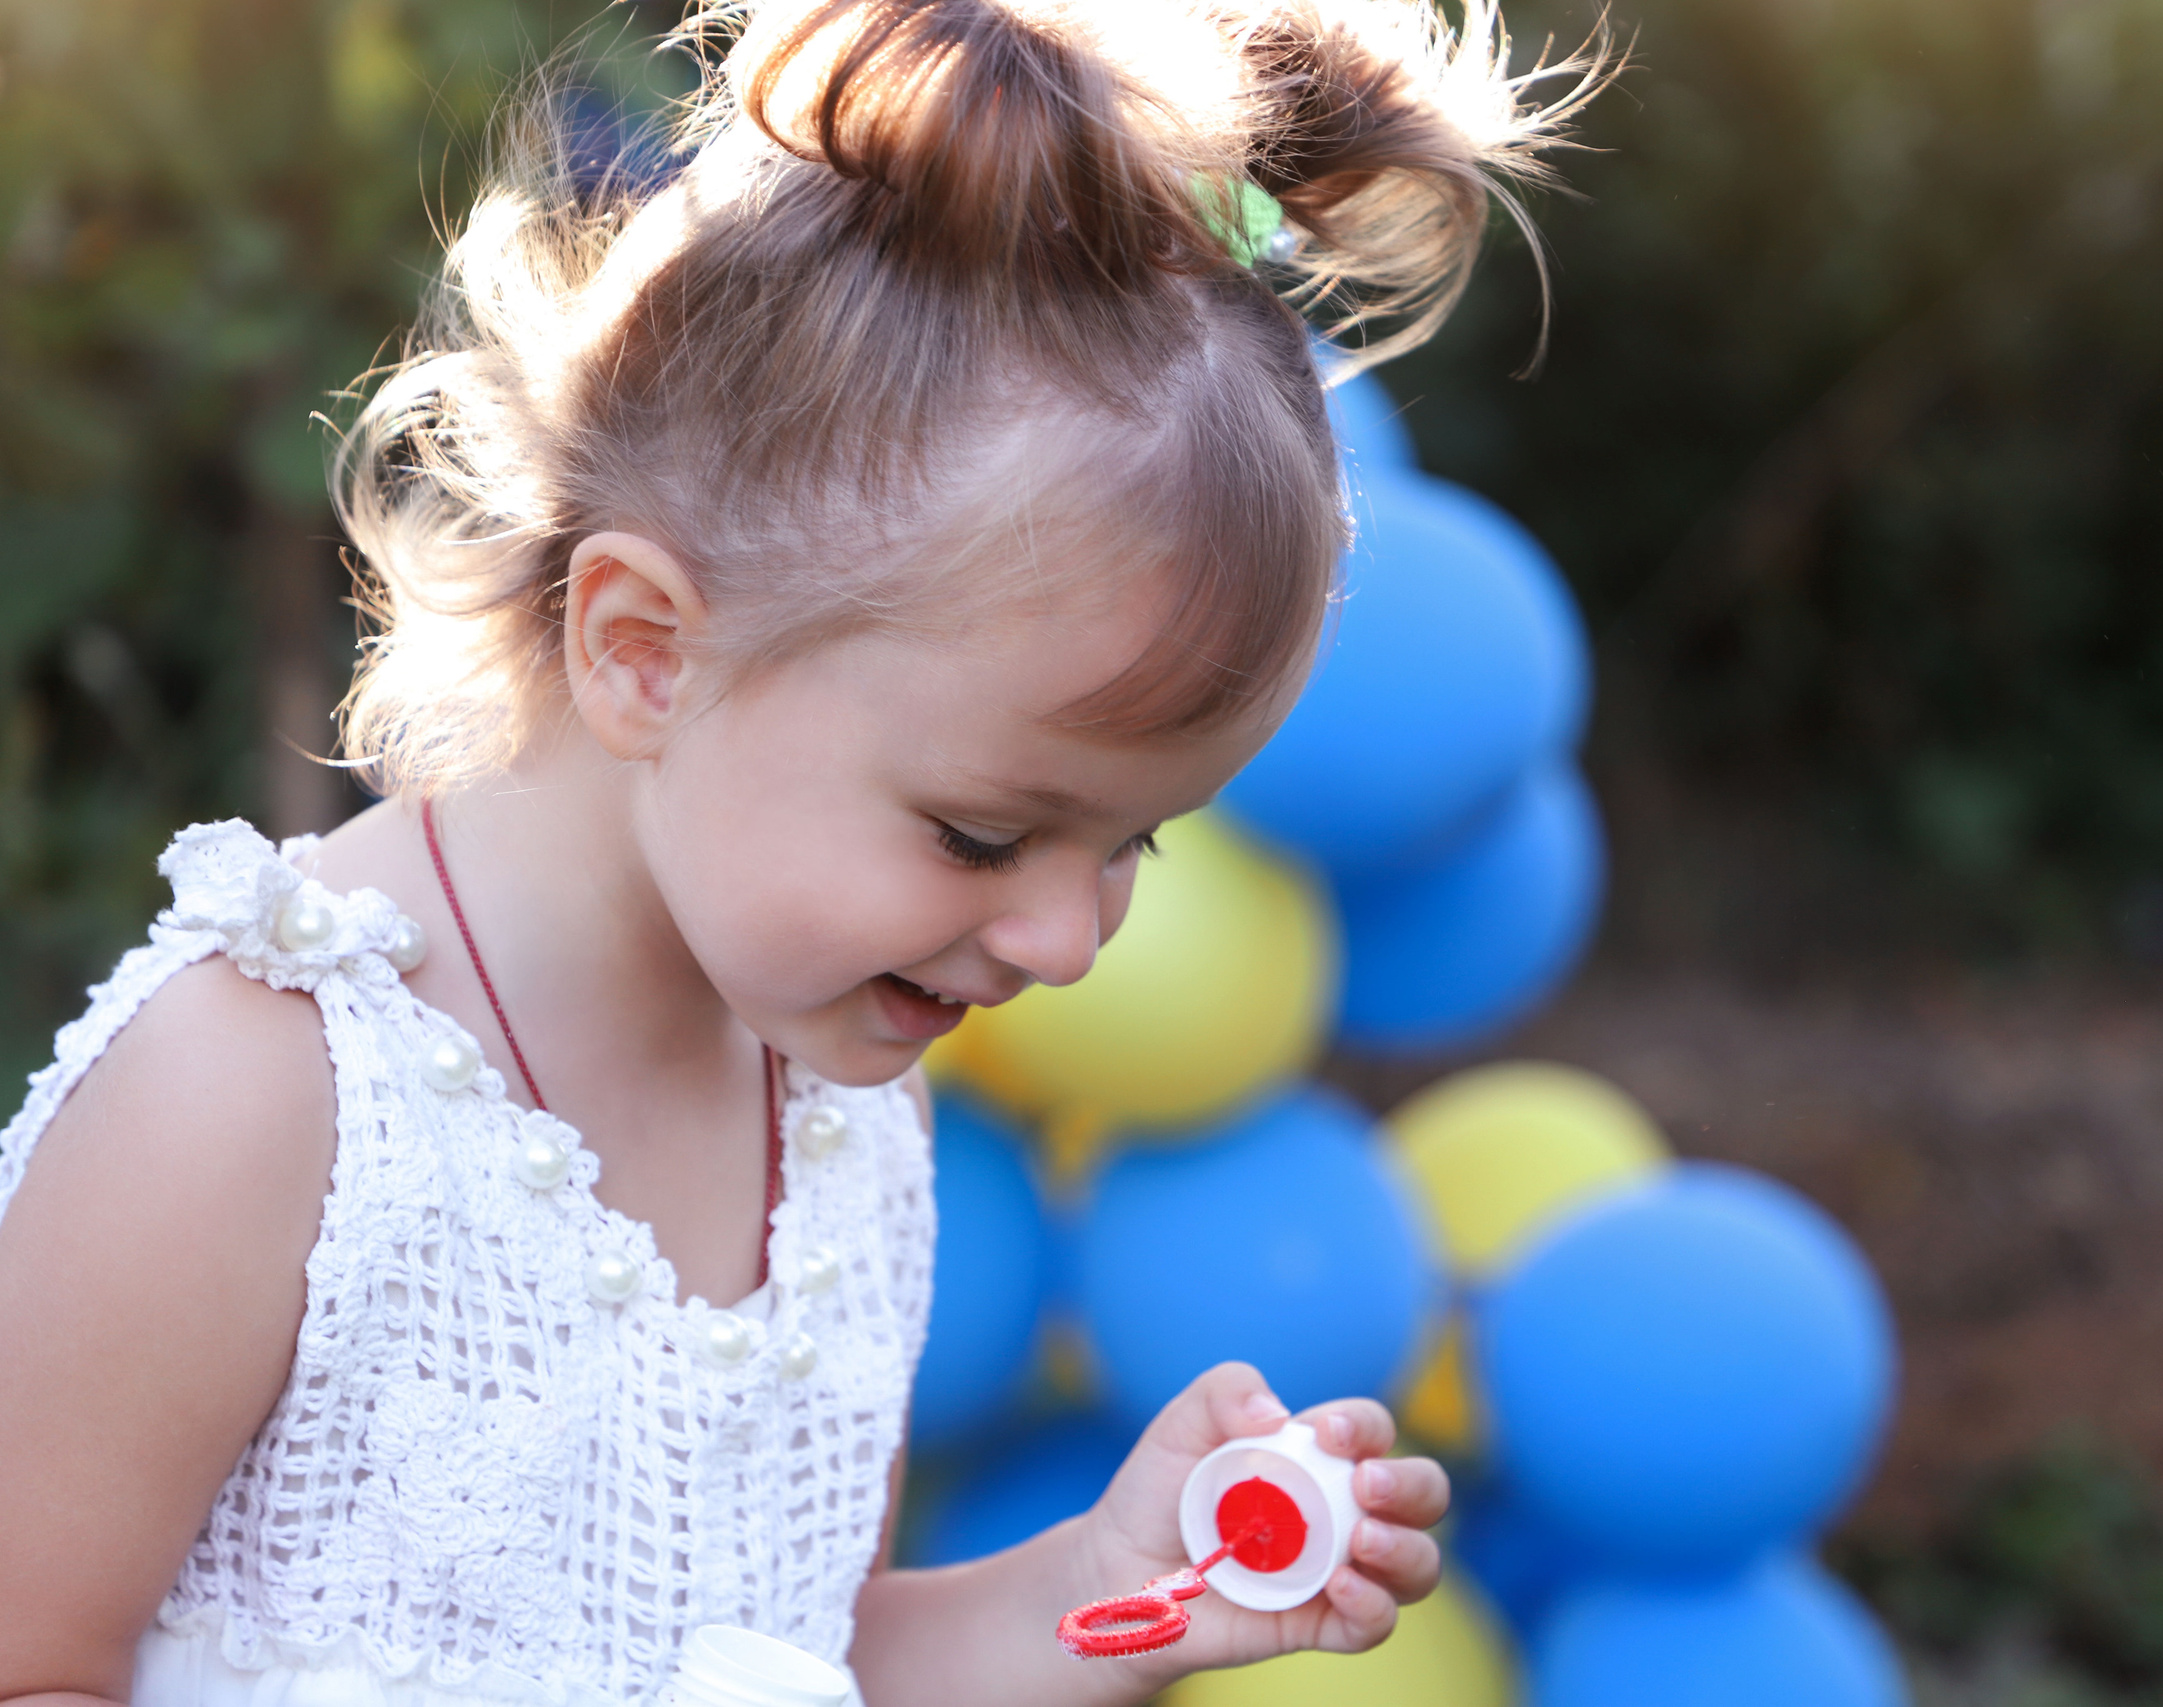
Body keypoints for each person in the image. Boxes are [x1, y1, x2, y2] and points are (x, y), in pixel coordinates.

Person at [0, 2, 1604, 1705]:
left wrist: (1098, 1597)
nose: (1069, 941)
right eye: (983, 832)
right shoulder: (264, 1098)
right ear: (643, 649)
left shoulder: (840, 1110)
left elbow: (772, 1661)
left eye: (1133, 842)